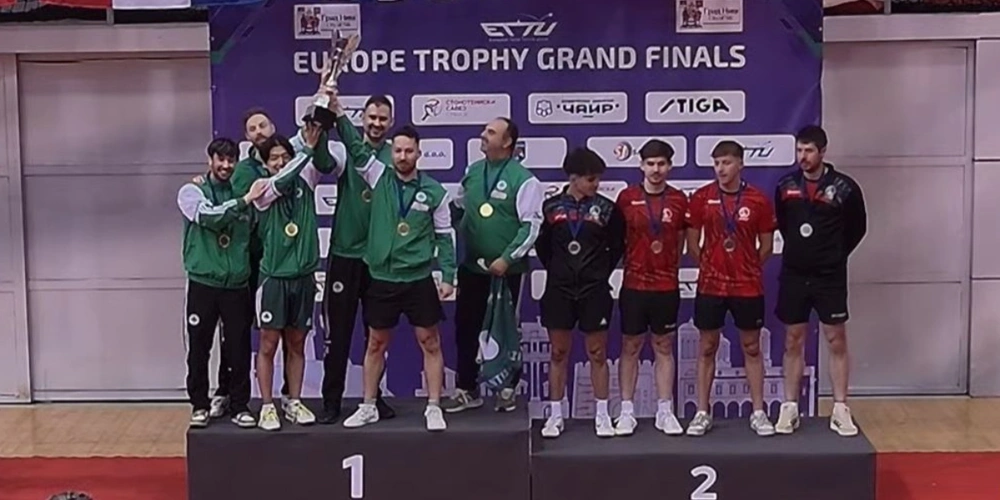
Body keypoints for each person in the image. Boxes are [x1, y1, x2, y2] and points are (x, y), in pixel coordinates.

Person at [337, 119, 456, 432]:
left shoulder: (435, 192)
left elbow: (445, 236)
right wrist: (338, 113)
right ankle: (368, 405)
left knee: (430, 342)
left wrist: (448, 275)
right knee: (376, 343)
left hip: (418, 278)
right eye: (398, 151)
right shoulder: (378, 176)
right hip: (383, 277)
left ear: (419, 153)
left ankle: (433, 406)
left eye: (409, 151)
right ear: (392, 153)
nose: (403, 156)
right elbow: (355, 147)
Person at [443, 117, 544, 414]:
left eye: (490, 132)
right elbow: (457, 208)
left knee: (506, 328)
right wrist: (460, 233)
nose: (482, 135)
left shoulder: (524, 180)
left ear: (507, 141)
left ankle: (507, 389)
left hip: (507, 271)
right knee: (466, 326)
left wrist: (507, 258)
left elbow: (531, 227)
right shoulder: (473, 172)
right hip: (472, 268)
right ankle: (467, 389)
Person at [774, 125, 867, 437]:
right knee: (793, 339)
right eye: (799, 150)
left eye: (809, 150)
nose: (803, 156)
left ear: (823, 152)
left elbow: (858, 228)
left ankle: (840, 408)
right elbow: (785, 225)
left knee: (835, 338)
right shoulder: (786, 185)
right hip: (795, 274)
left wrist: (834, 254)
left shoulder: (844, 188)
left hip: (829, 276)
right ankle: (790, 407)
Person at [684, 140, 776, 437]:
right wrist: (711, 267)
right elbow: (692, 244)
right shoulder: (702, 197)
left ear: (740, 164)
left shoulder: (758, 200)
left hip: (747, 286)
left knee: (752, 347)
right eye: (716, 163)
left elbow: (766, 246)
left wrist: (746, 268)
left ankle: (758, 412)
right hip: (711, 285)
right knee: (707, 347)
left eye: (726, 162)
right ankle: (702, 412)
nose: (721, 169)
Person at [535, 147, 625, 439]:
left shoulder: (607, 209)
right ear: (573, 178)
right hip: (559, 289)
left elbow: (616, 247)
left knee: (597, 353)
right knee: (558, 352)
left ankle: (602, 415)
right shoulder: (551, 208)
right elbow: (543, 248)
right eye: (590, 179)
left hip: (593, 290)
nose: (596, 184)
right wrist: (560, 271)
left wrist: (597, 274)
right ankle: (555, 415)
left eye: (598, 179)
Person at [251, 121, 334, 431]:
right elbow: (281, 180)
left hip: (303, 278)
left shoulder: (306, 178)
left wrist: (319, 126)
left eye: (285, 156)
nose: (280, 161)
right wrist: (305, 151)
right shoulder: (262, 187)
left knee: (297, 343)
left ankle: (293, 401)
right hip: (274, 278)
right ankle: (267, 406)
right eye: (273, 157)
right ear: (265, 163)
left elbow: (320, 158)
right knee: (268, 344)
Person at [319, 95, 396, 424]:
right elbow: (323, 163)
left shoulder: (395, 155)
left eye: (382, 118)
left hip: (378, 259)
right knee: (338, 335)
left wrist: (339, 116)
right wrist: (323, 123)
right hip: (344, 255)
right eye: (372, 117)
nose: (376, 123)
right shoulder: (343, 150)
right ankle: (331, 401)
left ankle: (373, 398)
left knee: (376, 335)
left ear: (390, 122)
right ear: (362, 118)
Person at [209, 107, 289, 419]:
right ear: (247, 136)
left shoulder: (287, 163)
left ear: (273, 127)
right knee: (236, 331)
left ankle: (289, 396)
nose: (259, 132)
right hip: (249, 260)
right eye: (252, 129)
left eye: (262, 125)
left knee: (286, 331)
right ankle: (225, 392)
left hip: (281, 260)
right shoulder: (241, 170)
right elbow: (225, 198)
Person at [178, 138, 263, 429]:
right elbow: (210, 218)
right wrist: (244, 201)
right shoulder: (191, 191)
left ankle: (239, 406)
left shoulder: (242, 192)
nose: (226, 165)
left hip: (236, 284)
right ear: (210, 160)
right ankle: (199, 405)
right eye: (220, 160)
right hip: (203, 283)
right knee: (199, 348)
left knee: (239, 348)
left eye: (231, 160)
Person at [613, 139, 688, 436]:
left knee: (663, 346)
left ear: (670, 166)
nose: (656, 169)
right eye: (650, 164)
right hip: (634, 284)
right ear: (641, 166)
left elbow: (681, 242)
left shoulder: (679, 200)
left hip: (666, 285)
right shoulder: (626, 197)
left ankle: (664, 411)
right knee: (630, 346)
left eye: (661, 164)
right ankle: (626, 411)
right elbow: (618, 239)